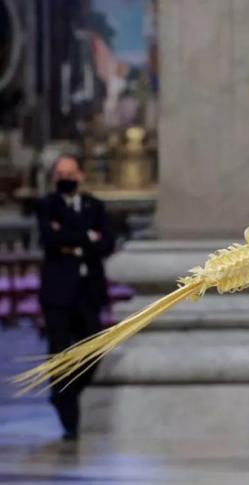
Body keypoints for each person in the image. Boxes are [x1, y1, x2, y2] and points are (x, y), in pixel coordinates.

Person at [36, 154, 114, 440]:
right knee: (58, 352)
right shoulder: (46, 205)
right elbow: (50, 239)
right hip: (57, 292)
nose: (65, 178)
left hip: (88, 291)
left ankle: (67, 391)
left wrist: (71, 237)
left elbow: (108, 242)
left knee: (94, 350)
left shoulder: (95, 205)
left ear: (80, 175)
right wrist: (87, 237)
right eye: (60, 174)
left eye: (70, 173)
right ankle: (68, 414)